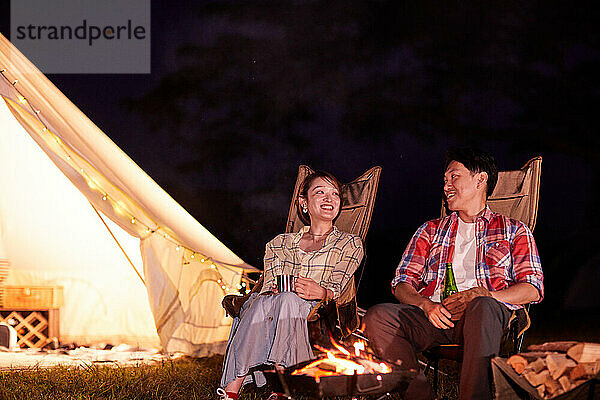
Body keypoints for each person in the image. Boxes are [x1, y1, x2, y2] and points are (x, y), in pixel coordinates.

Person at [364, 148, 544, 400]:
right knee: (379, 316)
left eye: (454, 177)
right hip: (436, 317)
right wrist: (425, 304)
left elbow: (532, 288)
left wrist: (487, 294)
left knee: (482, 305)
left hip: (485, 319)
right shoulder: (430, 230)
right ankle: (419, 395)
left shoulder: (514, 230)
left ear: (480, 180)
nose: (446, 185)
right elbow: (402, 282)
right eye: (445, 180)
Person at [219, 171, 364, 400]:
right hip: (274, 303)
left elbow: (339, 282)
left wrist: (323, 291)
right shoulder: (279, 244)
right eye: (320, 192)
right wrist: (276, 289)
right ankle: (233, 393)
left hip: (314, 304)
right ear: (303, 203)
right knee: (269, 300)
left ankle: (274, 387)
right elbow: (270, 283)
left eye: (335, 194)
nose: (329, 199)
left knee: (285, 300)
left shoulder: (350, 243)